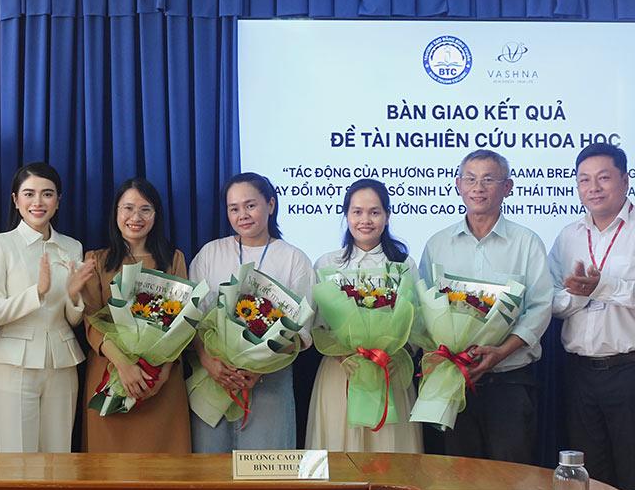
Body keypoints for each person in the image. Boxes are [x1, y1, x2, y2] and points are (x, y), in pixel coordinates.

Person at [549, 143, 635, 490]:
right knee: (589, 481)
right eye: (584, 180)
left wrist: (605, 287)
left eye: (604, 178)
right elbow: (551, 301)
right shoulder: (568, 236)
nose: (593, 188)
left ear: (625, 180)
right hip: (580, 375)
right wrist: (580, 295)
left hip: (634, 374)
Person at [419, 149, 553, 464]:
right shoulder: (437, 245)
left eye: (489, 179)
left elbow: (540, 306)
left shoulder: (527, 242)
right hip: (454, 381)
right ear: (458, 185)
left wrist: (502, 351)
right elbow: (424, 306)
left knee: (511, 478)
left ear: (507, 187)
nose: (478, 187)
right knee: (459, 480)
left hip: (509, 379)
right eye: (471, 179)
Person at [189, 172, 316, 452]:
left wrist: (258, 370)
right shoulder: (210, 254)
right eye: (234, 208)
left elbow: (301, 332)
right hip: (214, 377)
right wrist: (209, 362)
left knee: (264, 478)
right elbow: (192, 318)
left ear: (271, 205)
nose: (242, 215)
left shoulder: (294, 259)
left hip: (270, 383)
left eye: (250, 205)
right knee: (211, 476)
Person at [0, 162, 95, 453]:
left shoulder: (72, 247)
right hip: (13, 362)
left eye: (47, 194)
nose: (38, 202)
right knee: (14, 454)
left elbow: (72, 320)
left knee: (59, 454)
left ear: (58, 201)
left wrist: (73, 295)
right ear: (16, 200)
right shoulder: (0, 244)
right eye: (29, 194)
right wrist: (36, 293)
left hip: (62, 362)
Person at [305, 179, 423, 453]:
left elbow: (417, 322)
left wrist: (398, 351)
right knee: (340, 453)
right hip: (342, 372)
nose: (365, 220)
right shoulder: (326, 264)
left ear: (387, 215)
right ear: (346, 215)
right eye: (357, 211)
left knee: (391, 456)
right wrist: (343, 355)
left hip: (389, 373)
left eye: (374, 212)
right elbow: (317, 324)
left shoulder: (404, 265)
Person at [81, 178, 191, 453]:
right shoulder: (95, 260)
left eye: (145, 209)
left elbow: (184, 323)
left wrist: (161, 375)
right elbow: (91, 320)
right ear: (116, 213)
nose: (135, 217)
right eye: (127, 208)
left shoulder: (174, 259)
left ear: (157, 215)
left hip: (162, 383)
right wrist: (124, 367)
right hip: (110, 376)